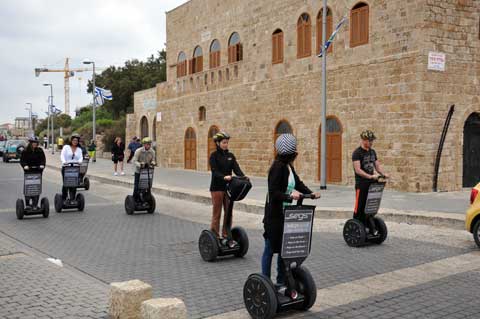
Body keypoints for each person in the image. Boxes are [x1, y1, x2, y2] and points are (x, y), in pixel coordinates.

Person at [262, 134, 320, 286]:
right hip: (274, 216)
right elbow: (274, 193)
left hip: (286, 215)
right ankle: (265, 282)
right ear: (289, 152)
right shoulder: (277, 168)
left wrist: (311, 194)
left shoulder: (288, 166)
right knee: (269, 249)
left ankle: (281, 281)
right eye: (295, 149)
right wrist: (290, 196)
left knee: (283, 250)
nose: (297, 152)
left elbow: (298, 183)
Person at [209, 131, 246, 247]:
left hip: (229, 188)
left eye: (227, 142)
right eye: (224, 142)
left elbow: (237, 169)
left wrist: (243, 177)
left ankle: (226, 235)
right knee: (217, 213)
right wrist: (223, 177)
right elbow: (214, 171)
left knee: (228, 213)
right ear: (218, 143)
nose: (226, 144)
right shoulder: (214, 156)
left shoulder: (231, 156)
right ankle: (215, 237)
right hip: (217, 188)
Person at [352, 130, 389, 230]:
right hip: (361, 184)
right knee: (359, 207)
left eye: (372, 140)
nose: (371, 142)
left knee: (370, 206)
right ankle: (356, 225)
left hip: (371, 184)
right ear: (364, 140)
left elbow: (377, 166)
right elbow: (358, 170)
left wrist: (383, 174)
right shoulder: (357, 153)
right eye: (369, 140)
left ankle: (368, 224)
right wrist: (370, 176)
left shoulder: (372, 152)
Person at [20, 136, 46, 208]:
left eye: (36, 143)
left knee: (36, 187)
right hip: (28, 171)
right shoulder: (25, 151)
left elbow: (43, 159)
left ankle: (35, 204)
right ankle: (28, 204)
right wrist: (25, 166)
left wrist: (42, 165)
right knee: (28, 187)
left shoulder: (40, 150)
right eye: (33, 143)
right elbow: (22, 160)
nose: (34, 144)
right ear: (30, 143)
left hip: (37, 171)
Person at [60, 133, 83, 200]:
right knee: (66, 183)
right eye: (74, 140)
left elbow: (81, 157)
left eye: (76, 140)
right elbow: (62, 155)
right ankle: (64, 197)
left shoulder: (79, 149)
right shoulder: (66, 147)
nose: (75, 142)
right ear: (71, 140)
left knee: (74, 184)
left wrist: (80, 162)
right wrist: (64, 162)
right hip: (66, 167)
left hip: (75, 168)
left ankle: (72, 198)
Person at [132, 137, 156, 201]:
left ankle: (146, 198)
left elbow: (153, 160)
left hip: (147, 171)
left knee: (147, 186)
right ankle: (135, 198)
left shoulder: (152, 151)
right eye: (147, 144)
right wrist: (140, 164)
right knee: (137, 186)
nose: (148, 145)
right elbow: (134, 161)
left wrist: (153, 163)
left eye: (149, 144)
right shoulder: (138, 151)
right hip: (138, 171)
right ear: (144, 144)